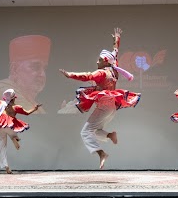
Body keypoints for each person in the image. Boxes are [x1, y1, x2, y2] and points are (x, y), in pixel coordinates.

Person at [59, 28, 140, 169]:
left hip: (104, 107)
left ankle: (101, 153)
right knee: (95, 131)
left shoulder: (102, 72)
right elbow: (115, 52)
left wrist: (69, 74)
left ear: (104, 61)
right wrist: (116, 39)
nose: (97, 62)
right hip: (111, 108)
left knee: (85, 132)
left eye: (99, 59)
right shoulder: (113, 70)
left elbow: (87, 76)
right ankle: (110, 135)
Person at [0, 35, 50, 114]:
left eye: (44, 68)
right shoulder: (5, 93)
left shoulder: (27, 98)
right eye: (35, 67)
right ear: (15, 69)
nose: (42, 74)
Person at [0, 89, 41, 174]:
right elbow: (27, 113)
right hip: (9, 125)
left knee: (1, 146)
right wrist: (35, 108)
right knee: (13, 132)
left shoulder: (1, 103)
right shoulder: (16, 107)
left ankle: (6, 167)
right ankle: (14, 137)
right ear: (13, 98)